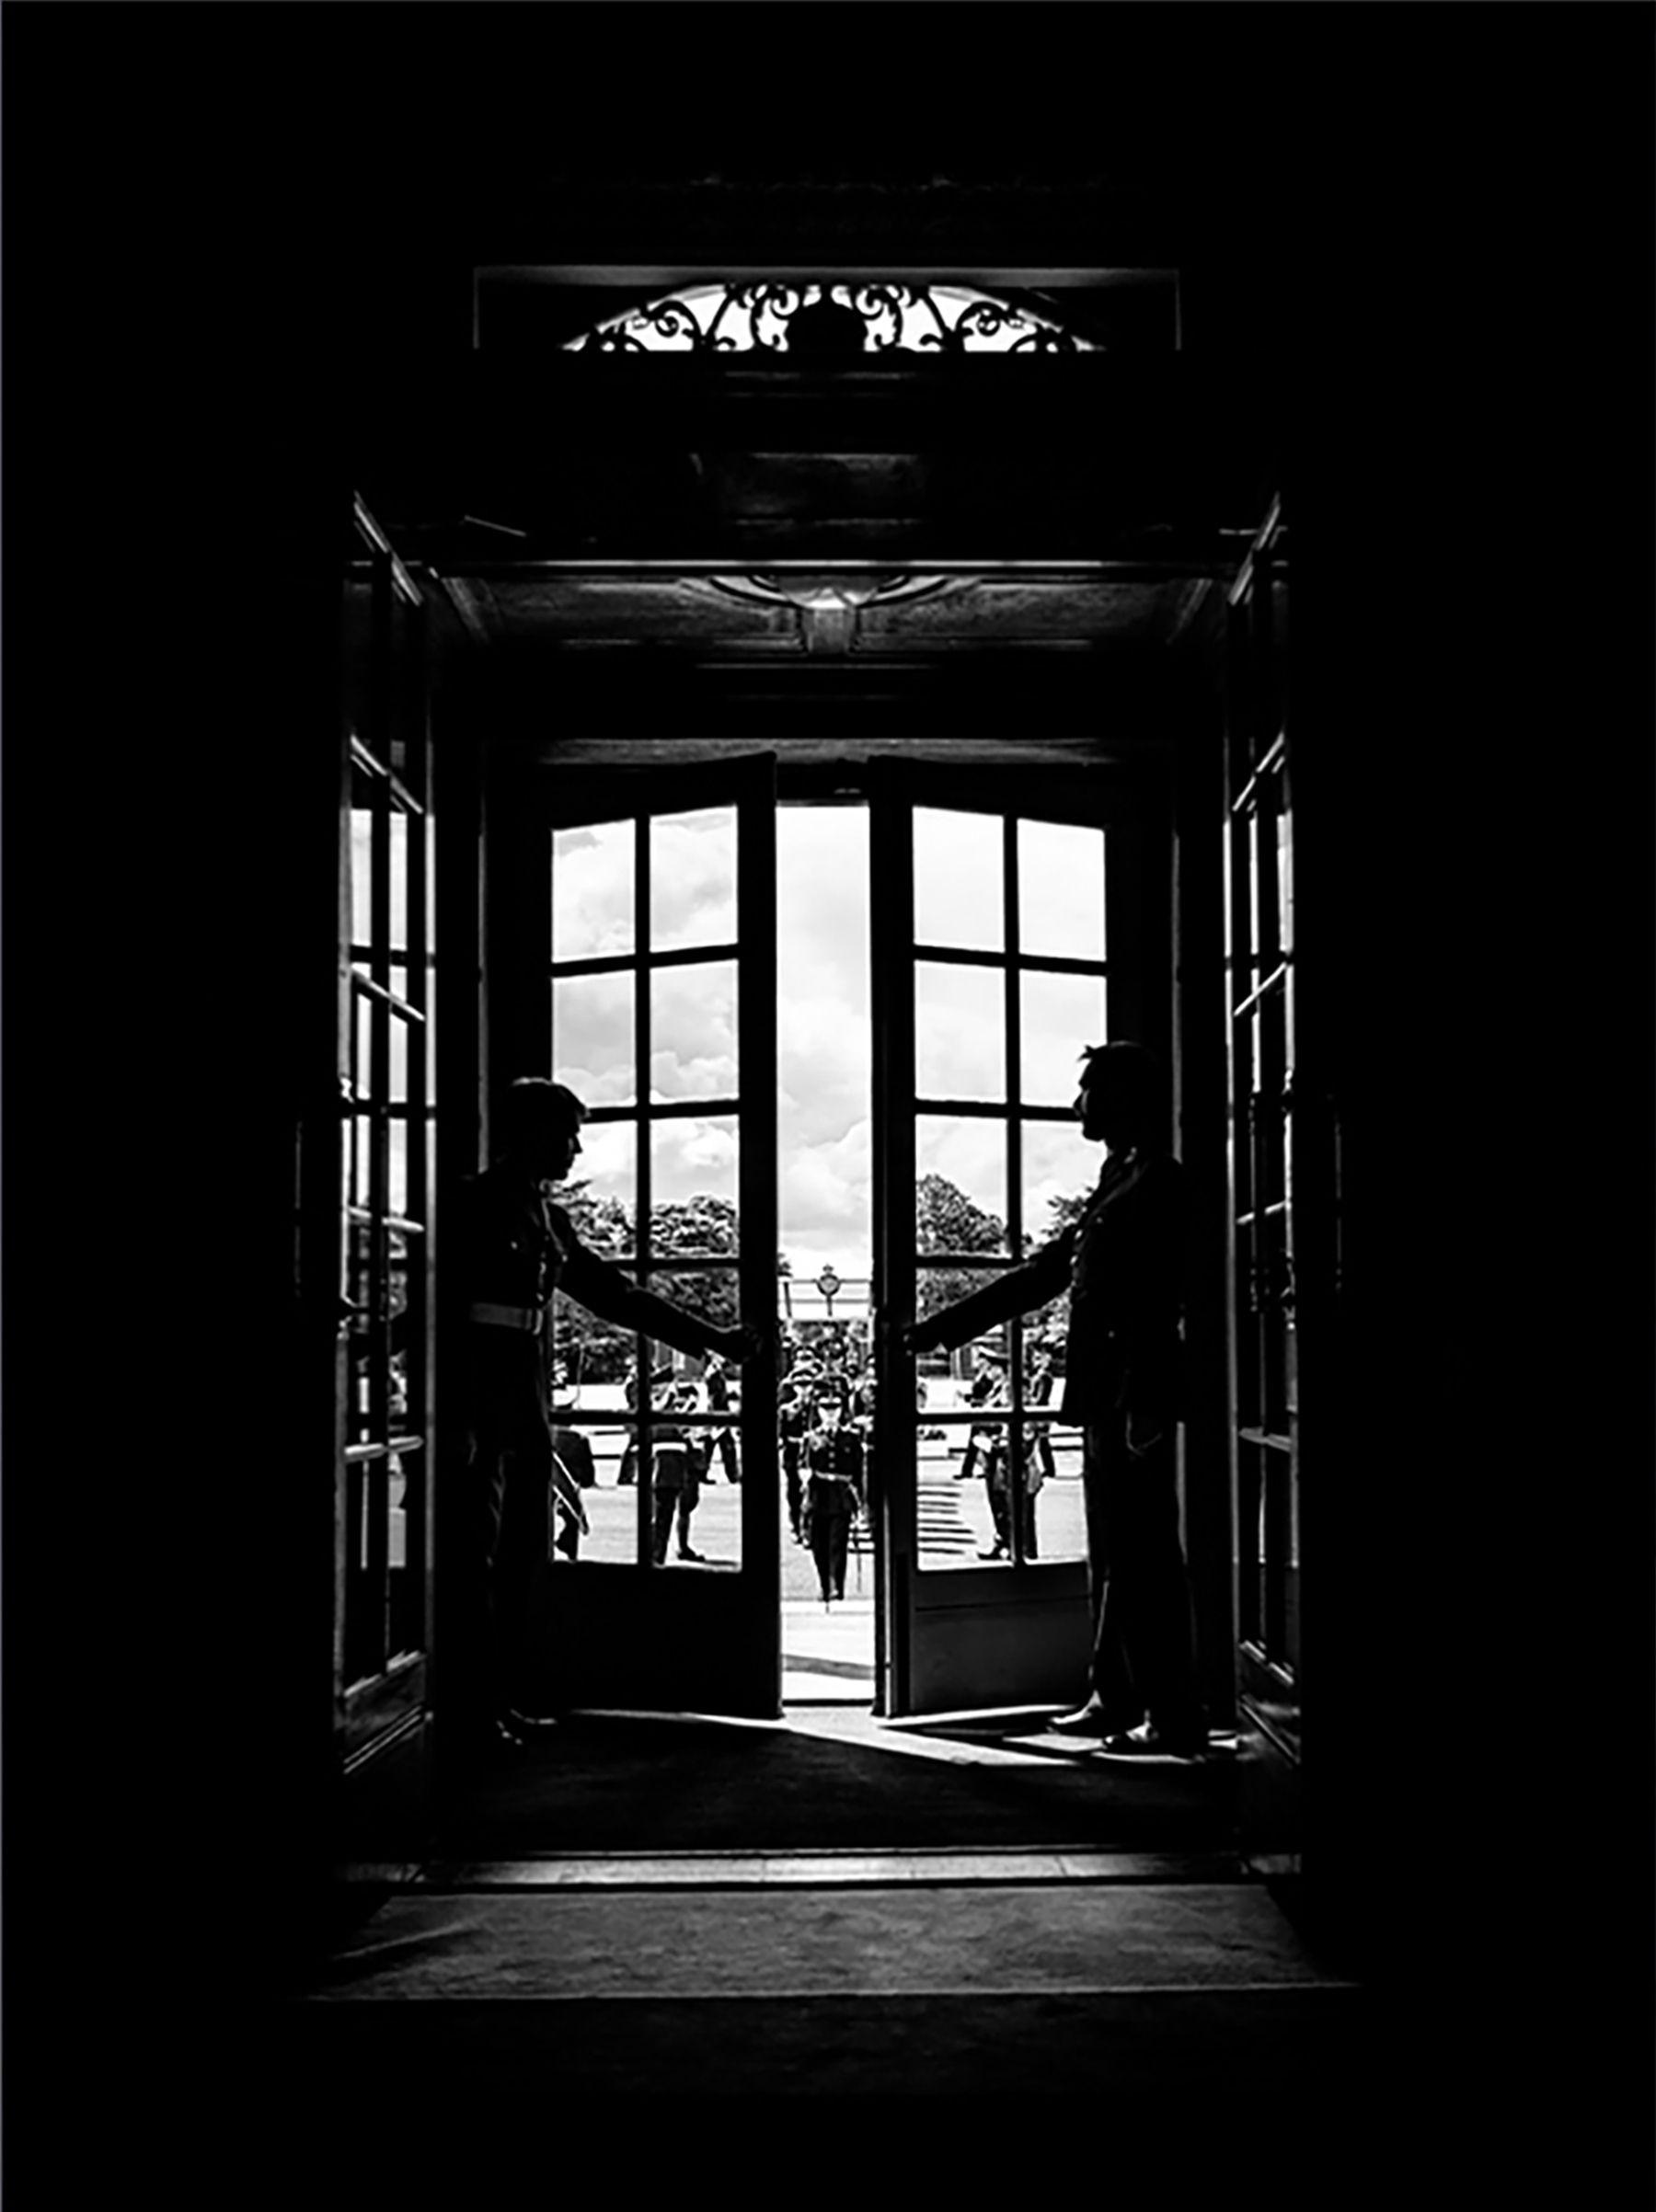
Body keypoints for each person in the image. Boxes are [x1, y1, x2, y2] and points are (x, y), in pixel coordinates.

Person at [903, 1042, 1204, 1756]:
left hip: (1131, 1398)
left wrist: (1147, 1404)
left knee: (1147, 1557)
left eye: (1089, 1090)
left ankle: (1173, 1713)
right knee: (1114, 1554)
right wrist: (937, 1332)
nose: (1078, 1104)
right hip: (1105, 1397)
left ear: (1124, 1095)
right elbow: (1042, 1276)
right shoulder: (1121, 1177)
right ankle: (1117, 1695)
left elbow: (1166, 1305)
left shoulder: (1161, 1181)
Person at [459, 1077, 762, 1755]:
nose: (575, 1147)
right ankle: (469, 1706)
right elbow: (444, 1315)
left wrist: (713, 1339)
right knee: (472, 1563)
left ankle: (497, 1699)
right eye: (567, 1132)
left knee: (512, 1562)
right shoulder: (474, 1203)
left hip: (521, 1404)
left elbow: (617, 1298)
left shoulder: (546, 1216)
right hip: (481, 1405)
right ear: (530, 1133)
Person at [802, 1391, 864, 1604]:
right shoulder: (811, 1439)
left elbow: (858, 1473)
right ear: (818, 1412)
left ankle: (836, 1586)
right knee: (819, 1545)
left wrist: (860, 1505)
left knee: (838, 1544)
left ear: (840, 1412)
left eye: (834, 1410)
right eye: (825, 1410)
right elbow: (805, 1470)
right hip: (819, 1496)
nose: (830, 1414)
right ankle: (824, 1584)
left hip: (841, 1496)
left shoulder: (851, 1438)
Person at [699, 1351, 741, 1484]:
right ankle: (732, 1475)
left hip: (717, 1412)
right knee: (726, 1446)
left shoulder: (714, 1373)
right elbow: (715, 1396)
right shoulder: (714, 1374)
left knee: (712, 1446)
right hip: (718, 1413)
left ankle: (704, 1472)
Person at [778, 1381, 810, 1542]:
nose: (804, 1390)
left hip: (811, 1455)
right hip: (793, 1454)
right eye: (800, 1386)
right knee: (794, 1493)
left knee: (811, 1495)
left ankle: (808, 1530)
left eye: (807, 1385)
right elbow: (780, 1435)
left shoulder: (817, 1409)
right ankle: (796, 1526)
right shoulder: (787, 1410)